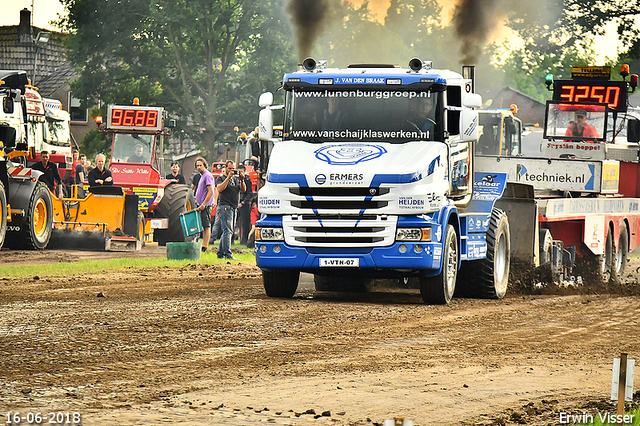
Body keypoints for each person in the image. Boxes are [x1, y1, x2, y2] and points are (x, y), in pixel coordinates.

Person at [215, 160, 245, 259]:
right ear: (226, 168)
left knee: (227, 231)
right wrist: (228, 177)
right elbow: (219, 189)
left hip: (233, 207)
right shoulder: (221, 178)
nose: (231, 170)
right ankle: (227, 254)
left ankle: (220, 253)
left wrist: (242, 180)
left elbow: (243, 189)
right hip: (225, 206)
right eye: (230, 168)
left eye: (233, 169)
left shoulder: (236, 179)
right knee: (227, 230)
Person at [194, 157, 215, 253]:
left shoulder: (207, 175)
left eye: (200, 165)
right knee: (202, 225)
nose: (199, 167)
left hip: (205, 206)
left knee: (206, 226)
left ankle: (205, 247)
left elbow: (211, 191)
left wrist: (204, 204)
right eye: (197, 166)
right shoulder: (202, 176)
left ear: (205, 165)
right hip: (200, 204)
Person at [236, 164, 253, 245]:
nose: (240, 174)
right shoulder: (234, 179)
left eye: (241, 172)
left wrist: (243, 202)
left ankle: (244, 240)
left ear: (244, 172)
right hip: (235, 203)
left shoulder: (247, 180)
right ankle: (231, 240)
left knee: (245, 223)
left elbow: (250, 193)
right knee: (232, 222)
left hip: (244, 203)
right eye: (238, 172)